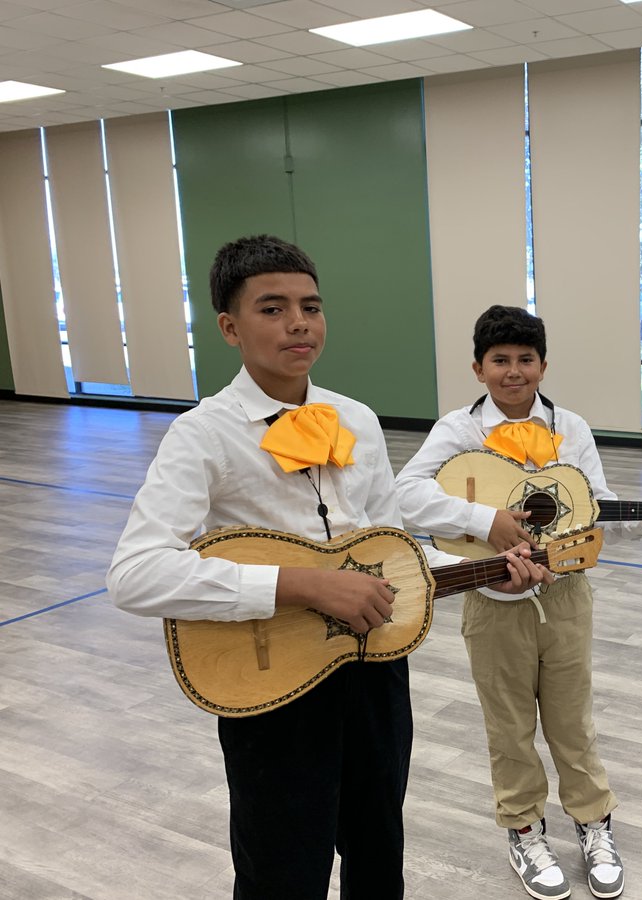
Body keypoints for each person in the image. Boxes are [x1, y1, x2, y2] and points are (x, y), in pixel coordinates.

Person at [106, 236, 549, 900]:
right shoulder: (204, 433)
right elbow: (135, 573)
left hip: (374, 675)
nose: (298, 324)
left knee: (379, 851)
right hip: (271, 684)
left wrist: (485, 567)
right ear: (229, 326)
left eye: (310, 307)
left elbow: (390, 551)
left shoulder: (358, 420)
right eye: (272, 308)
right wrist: (301, 582)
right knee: (283, 868)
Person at [394, 305, 642, 900]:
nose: (513, 372)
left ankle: (592, 821)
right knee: (508, 727)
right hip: (489, 599)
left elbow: (593, 504)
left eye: (525, 360)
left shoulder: (571, 428)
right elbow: (405, 494)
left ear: (543, 366)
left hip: (567, 594)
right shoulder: (458, 431)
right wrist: (486, 519)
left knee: (571, 720)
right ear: (478, 368)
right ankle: (524, 828)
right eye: (500, 360)